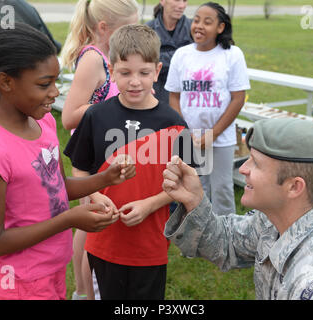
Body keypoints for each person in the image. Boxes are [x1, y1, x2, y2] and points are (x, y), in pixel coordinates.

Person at [0, 23, 135, 300]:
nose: (56, 92)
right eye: (45, 84)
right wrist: (68, 219)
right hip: (18, 282)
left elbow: (55, 187)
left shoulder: (44, 122)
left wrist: (105, 178)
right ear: (5, 82)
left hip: (52, 269)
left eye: (56, 82)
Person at [163, 118, 313, 300]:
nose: (243, 169)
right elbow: (226, 243)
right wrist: (194, 201)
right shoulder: (280, 217)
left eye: (256, 163)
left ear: (294, 187)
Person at [64, 24, 191, 300]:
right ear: (111, 70)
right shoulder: (95, 116)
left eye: (144, 73)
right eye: (125, 73)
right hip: (103, 238)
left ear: (157, 71)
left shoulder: (175, 123)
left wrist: (150, 204)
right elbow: (80, 167)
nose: (135, 81)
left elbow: (187, 181)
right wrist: (95, 194)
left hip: (151, 242)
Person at [60, 0, 138, 300]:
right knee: (90, 227)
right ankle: (83, 292)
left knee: (94, 226)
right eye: (126, 27)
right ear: (104, 28)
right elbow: (69, 116)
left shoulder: (108, 55)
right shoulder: (93, 59)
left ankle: (86, 290)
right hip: (90, 156)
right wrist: (113, 106)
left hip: (109, 153)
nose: (131, 33)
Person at [165, 2, 250, 216]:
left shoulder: (232, 54)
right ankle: (193, 238)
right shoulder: (182, 55)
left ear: (220, 27)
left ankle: (224, 241)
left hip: (220, 138)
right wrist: (186, 132)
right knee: (192, 188)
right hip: (189, 137)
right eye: (196, 20)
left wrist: (213, 134)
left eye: (207, 22)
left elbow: (238, 99)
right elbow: (174, 97)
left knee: (221, 189)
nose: (199, 26)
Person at [146, 0, 192, 105]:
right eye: (176, 0)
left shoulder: (194, 29)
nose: (181, 6)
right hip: (156, 98)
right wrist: (183, 56)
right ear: (162, 1)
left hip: (187, 98)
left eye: (185, 0)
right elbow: (145, 64)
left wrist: (160, 58)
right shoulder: (147, 30)